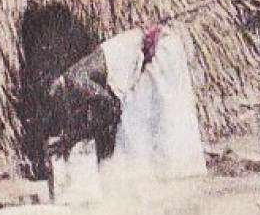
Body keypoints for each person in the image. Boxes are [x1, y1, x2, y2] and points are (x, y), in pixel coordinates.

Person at [46, 24, 206, 179]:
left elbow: (112, 107)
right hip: (142, 51)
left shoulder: (76, 81)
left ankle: (172, 171)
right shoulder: (75, 79)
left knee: (155, 120)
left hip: (155, 48)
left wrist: (73, 138)